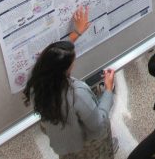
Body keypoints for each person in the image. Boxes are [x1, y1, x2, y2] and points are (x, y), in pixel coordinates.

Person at [23, 22, 116, 159]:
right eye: (72, 61)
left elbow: (54, 56)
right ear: (64, 69)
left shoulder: (37, 83)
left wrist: (76, 34)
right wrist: (108, 90)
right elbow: (97, 124)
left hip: (65, 144)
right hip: (88, 148)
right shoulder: (77, 94)